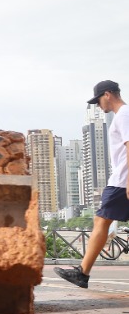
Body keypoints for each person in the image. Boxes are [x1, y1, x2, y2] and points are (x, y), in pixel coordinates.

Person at [56, 80, 129, 289]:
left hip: (122, 181)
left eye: (98, 101)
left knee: (101, 220)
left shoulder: (123, 115)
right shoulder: (122, 115)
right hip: (122, 180)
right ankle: (83, 272)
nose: (99, 106)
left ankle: (83, 273)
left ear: (107, 94)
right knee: (101, 221)